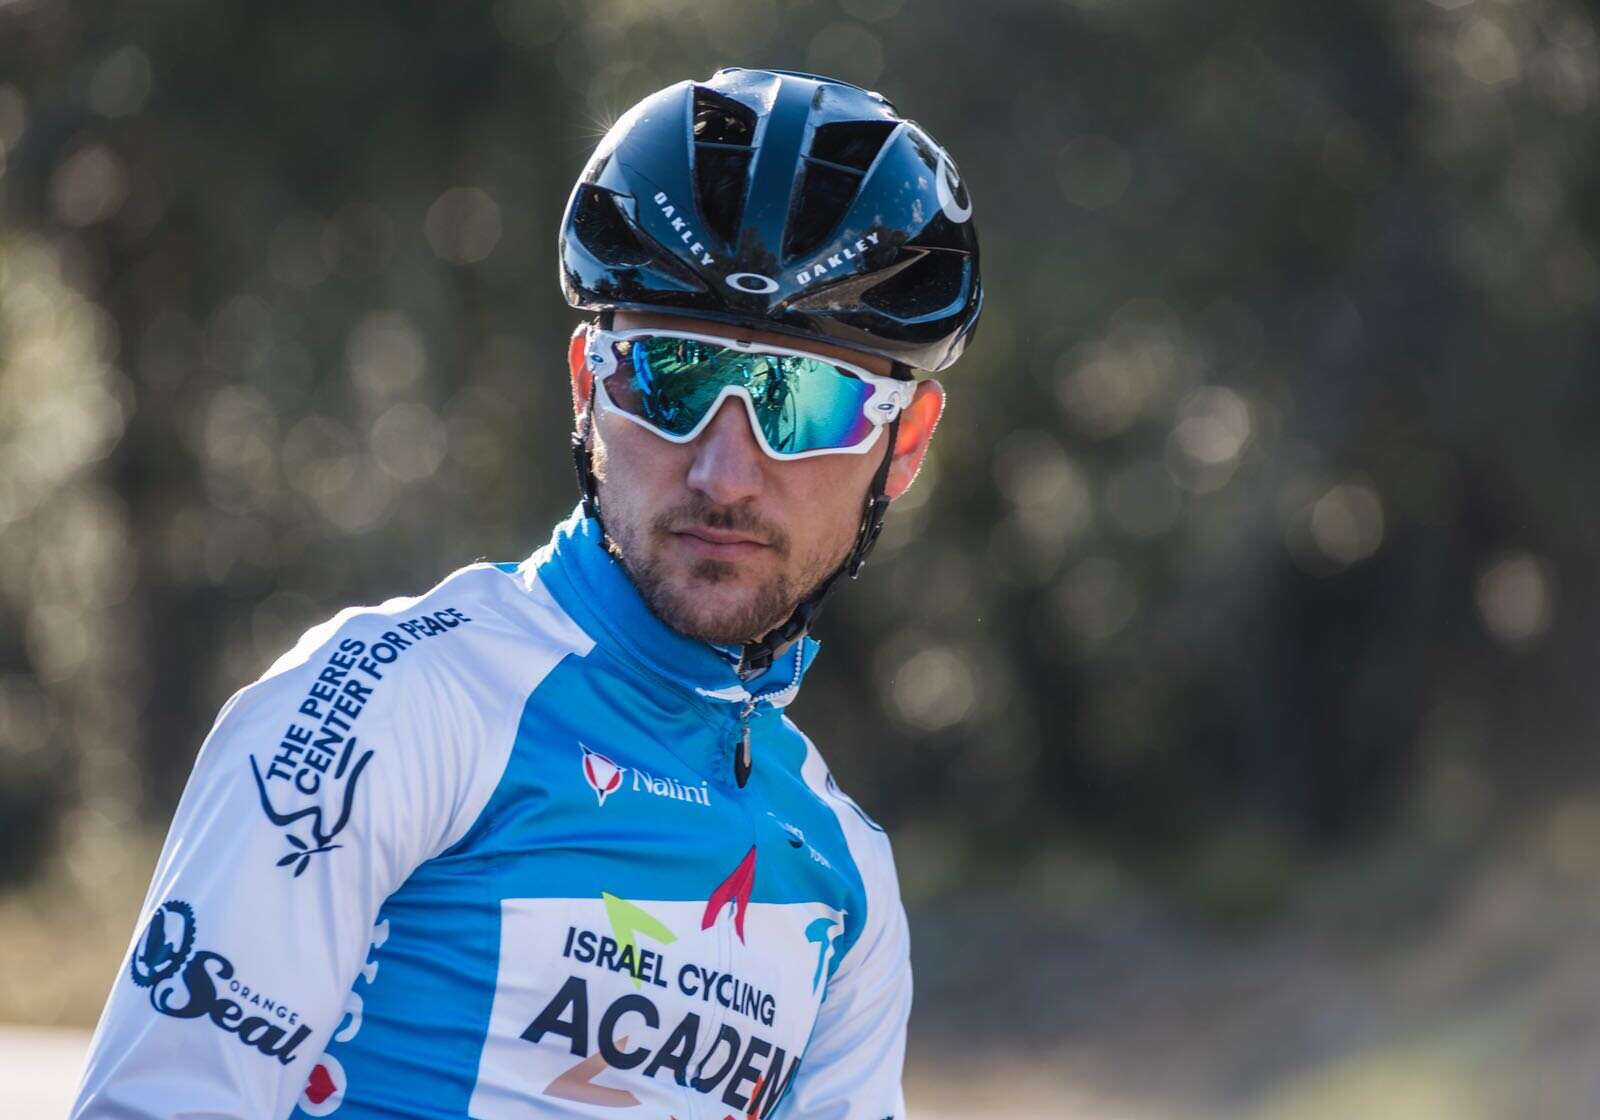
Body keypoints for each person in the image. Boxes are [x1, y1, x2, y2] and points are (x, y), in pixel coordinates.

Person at [71, 66, 981, 1119]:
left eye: (805, 403)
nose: (725, 473)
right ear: (588, 384)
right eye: (672, 379)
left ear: (904, 445)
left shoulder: (842, 874)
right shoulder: (392, 704)